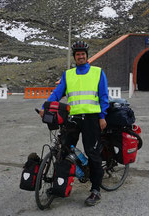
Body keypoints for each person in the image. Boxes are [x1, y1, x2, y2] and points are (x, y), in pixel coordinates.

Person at [39, 40, 109, 206]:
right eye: (78, 54)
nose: (81, 56)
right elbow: (56, 94)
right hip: (73, 118)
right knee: (63, 151)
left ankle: (95, 190)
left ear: (86, 55)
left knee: (92, 153)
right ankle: (60, 184)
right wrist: (45, 107)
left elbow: (103, 96)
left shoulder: (98, 72)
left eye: (83, 54)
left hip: (92, 118)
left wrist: (102, 116)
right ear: (75, 57)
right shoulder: (68, 75)